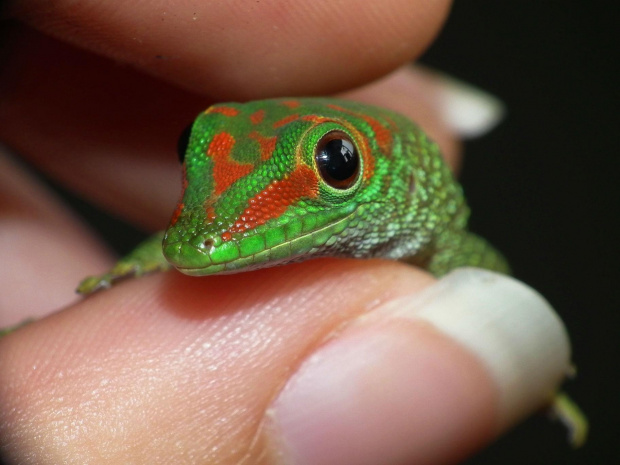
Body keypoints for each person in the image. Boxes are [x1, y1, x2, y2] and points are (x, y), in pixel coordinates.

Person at [0, 1, 571, 463]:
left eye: (336, 162)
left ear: (401, 185)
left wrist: (538, 372)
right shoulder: (213, 227)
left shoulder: (449, 248)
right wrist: (152, 255)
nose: (203, 243)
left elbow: (493, 287)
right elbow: (197, 241)